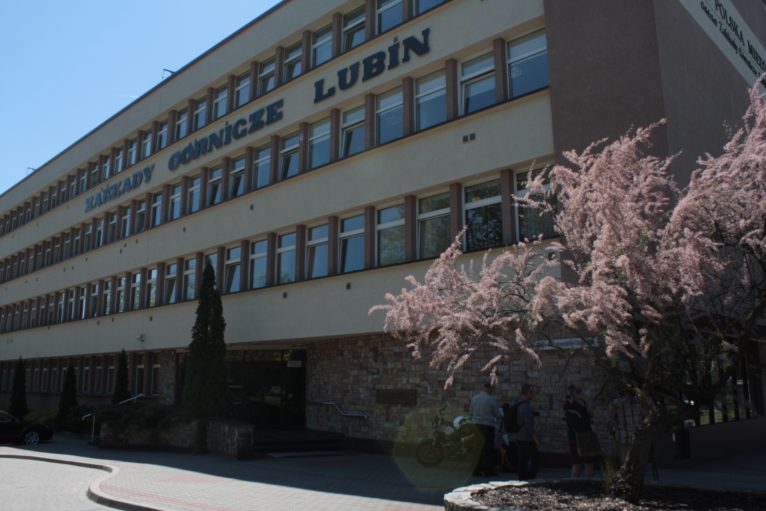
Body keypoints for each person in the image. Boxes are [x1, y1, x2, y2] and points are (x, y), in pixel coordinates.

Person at [469, 382, 501, 477]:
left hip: (476, 425)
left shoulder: (474, 398)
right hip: (488, 426)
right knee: (488, 449)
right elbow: (497, 414)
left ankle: (475, 470)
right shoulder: (491, 399)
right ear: (490, 389)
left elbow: (471, 412)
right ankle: (488, 470)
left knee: (477, 448)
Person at [563, 384, 595, 477]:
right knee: (588, 463)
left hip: (573, 435)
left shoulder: (566, 404)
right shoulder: (581, 403)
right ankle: (588, 483)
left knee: (576, 463)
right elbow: (590, 414)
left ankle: (574, 483)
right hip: (585, 435)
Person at [606, 392, 643, 466]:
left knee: (625, 462)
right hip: (637, 435)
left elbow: (609, 420)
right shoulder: (639, 401)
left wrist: (611, 431)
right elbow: (644, 417)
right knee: (636, 461)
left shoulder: (615, 403)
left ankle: (627, 471)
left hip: (621, 436)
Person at [514, 383, 540, 480]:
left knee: (523, 461)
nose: (534, 395)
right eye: (532, 393)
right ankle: (530, 480)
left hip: (519, 437)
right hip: (527, 438)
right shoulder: (526, 407)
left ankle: (522, 480)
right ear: (528, 393)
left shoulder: (517, 403)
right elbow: (529, 425)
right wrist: (536, 439)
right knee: (535, 462)